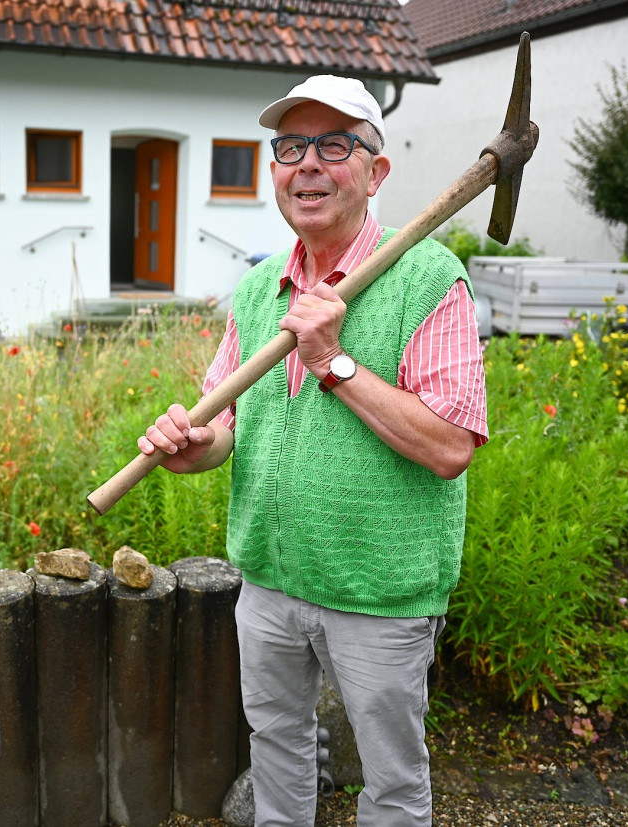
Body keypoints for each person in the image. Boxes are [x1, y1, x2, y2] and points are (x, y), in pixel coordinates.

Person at [137, 75, 488, 826]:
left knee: (391, 777)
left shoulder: (428, 278)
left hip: (378, 590)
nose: (309, 165)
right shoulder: (261, 288)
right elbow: (223, 428)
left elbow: (452, 445)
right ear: (274, 170)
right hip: (267, 577)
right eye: (291, 147)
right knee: (278, 744)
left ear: (375, 171)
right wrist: (189, 444)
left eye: (335, 145)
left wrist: (334, 360)